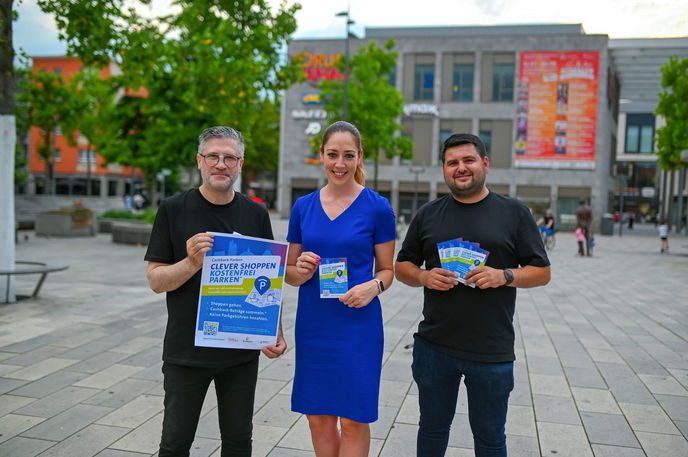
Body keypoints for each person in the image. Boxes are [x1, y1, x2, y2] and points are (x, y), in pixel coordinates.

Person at [394, 133, 550, 457]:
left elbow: (542, 272)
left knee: (491, 440)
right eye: (452, 163)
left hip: (491, 351)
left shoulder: (515, 213)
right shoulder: (428, 214)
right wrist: (424, 275)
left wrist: (503, 275)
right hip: (435, 347)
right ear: (444, 169)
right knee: (432, 432)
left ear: (485, 164)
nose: (460, 168)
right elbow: (402, 266)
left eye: (468, 160)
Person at [144, 126, 287, 457]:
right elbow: (156, 281)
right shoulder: (173, 209)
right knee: (175, 443)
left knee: (238, 442)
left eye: (229, 157)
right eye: (213, 156)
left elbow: (269, 278)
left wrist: (274, 330)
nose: (221, 164)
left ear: (240, 164)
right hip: (185, 353)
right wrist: (192, 262)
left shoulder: (255, 213)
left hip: (239, 353)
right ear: (199, 161)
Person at [285, 121, 396, 457]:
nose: (340, 163)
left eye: (349, 155)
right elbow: (289, 273)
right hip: (315, 326)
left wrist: (373, 287)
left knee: (352, 419)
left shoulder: (378, 207)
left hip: (357, 325)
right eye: (333, 154)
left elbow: (388, 270)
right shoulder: (303, 207)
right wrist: (300, 270)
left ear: (360, 157)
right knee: (318, 418)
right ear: (321, 155)